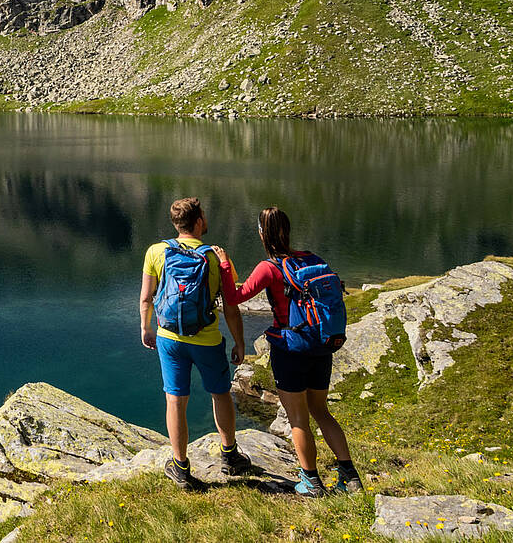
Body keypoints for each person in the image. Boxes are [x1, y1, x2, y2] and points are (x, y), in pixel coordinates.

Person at [226, 207, 363, 496]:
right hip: (321, 345)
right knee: (321, 411)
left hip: (290, 348)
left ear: (262, 234)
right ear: (287, 230)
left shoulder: (269, 267)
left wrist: (225, 265)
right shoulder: (313, 259)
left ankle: (311, 482)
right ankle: (350, 477)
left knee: (298, 419)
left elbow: (235, 297)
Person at [141, 197, 254, 491]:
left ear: (176, 223)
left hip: (169, 339)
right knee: (220, 394)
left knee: (175, 400)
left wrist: (145, 328)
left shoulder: (156, 251)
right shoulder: (216, 257)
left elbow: (146, 297)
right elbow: (231, 305)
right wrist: (240, 342)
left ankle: (180, 467)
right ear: (199, 221)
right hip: (207, 339)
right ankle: (230, 456)